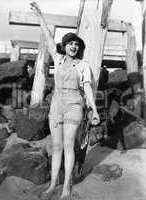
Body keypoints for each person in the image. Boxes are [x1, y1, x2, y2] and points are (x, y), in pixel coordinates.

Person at [30, 2, 100, 199]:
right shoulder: (58, 58)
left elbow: (86, 87)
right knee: (57, 146)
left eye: (77, 44)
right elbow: (47, 36)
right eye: (70, 43)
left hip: (74, 105)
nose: (74, 46)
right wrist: (39, 16)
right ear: (65, 45)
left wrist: (94, 110)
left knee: (69, 145)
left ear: (79, 49)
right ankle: (53, 185)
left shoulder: (83, 65)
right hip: (56, 104)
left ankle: (67, 187)